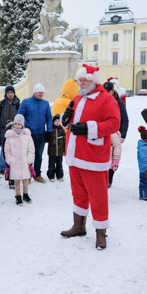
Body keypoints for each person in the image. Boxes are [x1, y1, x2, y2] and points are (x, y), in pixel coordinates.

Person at [60, 65, 121, 250]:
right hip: (75, 155)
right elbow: (69, 124)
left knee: (98, 196)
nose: (82, 83)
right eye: (80, 80)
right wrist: (65, 119)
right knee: (78, 193)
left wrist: (88, 128)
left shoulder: (106, 99)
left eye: (85, 80)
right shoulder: (78, 98)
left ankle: (101, 233)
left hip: (94, 158)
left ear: (94, 80)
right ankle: (79, 226)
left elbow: (114, 124)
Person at [17, 84, 52, 183]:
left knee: (39, 155)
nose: (41, 94)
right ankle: (27, 174)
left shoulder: (45, 104)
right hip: (29, 134)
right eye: (39, 92)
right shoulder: (26, 102)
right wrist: (28, 126)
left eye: (42, 92)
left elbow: (49, 118)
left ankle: (37, 174)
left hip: (41, 134)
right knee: (28, 155)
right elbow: (20, 116)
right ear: (34, 92)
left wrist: (49, 130)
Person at [4, 114, 35, 206]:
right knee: (16, 181)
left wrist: (29, 159)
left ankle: (25, 194)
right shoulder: (9, 136)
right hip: (14, 163)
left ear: (22, 125)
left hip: (24, 162)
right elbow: (7, 150)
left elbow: (31, 149)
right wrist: (9, 160)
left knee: (25, 180)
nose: (17, 126)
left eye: (19, 124)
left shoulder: (27, 135)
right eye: (16, 124)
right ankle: (18, 196)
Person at [0, 86, 20, 175]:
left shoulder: (18, 104)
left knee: (14, 149)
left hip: (15, 131)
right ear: (6, 94)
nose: (10, 94)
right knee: (3, 150)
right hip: (3, 131)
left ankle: (12, 165)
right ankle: (2, 168)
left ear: (14, 93)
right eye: (8, 92)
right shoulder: (1, 104)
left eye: (11, 92)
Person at [47, 114, 65, 182]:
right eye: (55, 121)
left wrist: (64, 150)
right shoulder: (51, 129)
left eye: (58, 121)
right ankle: (51, 176)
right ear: (53, 122)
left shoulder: (62, 130)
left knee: (59, 164)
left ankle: (60, 176)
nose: (57, 122)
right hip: (52, 151)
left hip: (60, 152)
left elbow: (64, 140)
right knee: (51, 165)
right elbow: (47, 139)